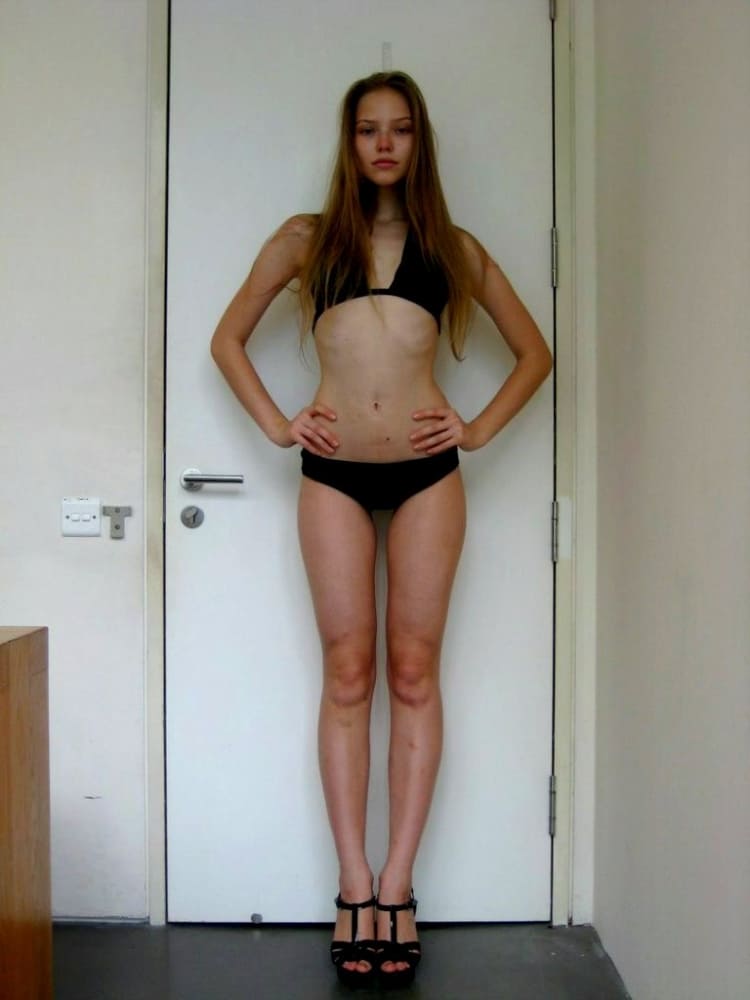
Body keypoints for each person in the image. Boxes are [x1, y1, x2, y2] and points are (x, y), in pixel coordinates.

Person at [210, 70, 552, 989]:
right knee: (348, 673)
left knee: (412, 672)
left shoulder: (452, 248)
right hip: (331, 477)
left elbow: (536, 354)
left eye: (400, 129)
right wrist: (279, 423)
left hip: (428, 477)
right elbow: (226, 340)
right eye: (368, 129)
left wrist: (475, 429)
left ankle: (398, 887)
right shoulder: (306, 240)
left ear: (419, 140)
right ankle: (352, 885)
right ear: (350, 140)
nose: (385, 144)